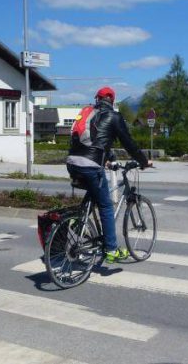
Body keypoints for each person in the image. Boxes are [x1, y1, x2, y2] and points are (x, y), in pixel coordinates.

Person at [66, 86, 151, 263]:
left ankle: (77, 222)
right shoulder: (114, 116)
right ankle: (112, 249)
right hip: (90, 165)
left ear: (98, 99)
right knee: (105, 206)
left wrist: (109, 159)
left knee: (94, 189)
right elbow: (129, 144)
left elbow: (100, 142)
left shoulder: (89, 114)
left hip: (72, 162)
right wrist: (144, 161)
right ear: (112, 100)